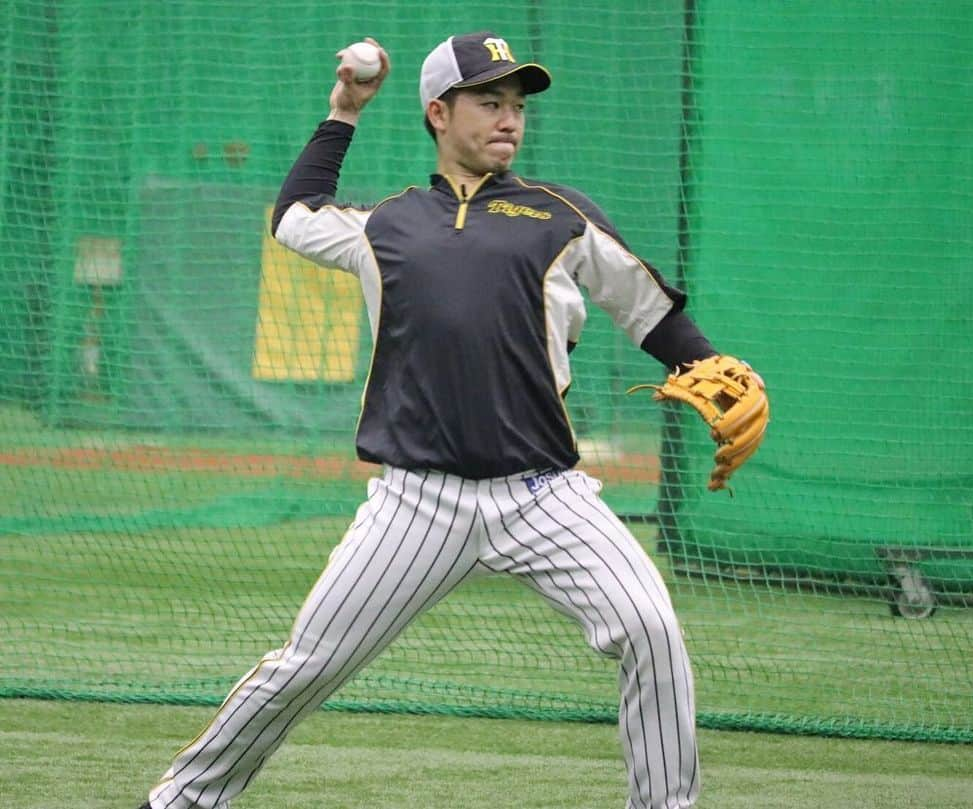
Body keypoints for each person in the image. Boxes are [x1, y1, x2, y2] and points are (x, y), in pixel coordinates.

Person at [139, 30, 728, 809]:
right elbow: (292, 216)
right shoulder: (384, 225)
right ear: (438, 113)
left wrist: (709, 366)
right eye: (490, 100)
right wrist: (342, 113)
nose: (509, 117)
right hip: (417, 501)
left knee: (652, 631)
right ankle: (180, 799)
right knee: (307, 664)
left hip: (544, 495)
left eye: (517, 104)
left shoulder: (560, 216)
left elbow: (647, 311)